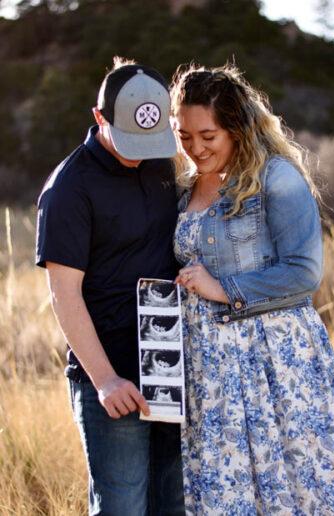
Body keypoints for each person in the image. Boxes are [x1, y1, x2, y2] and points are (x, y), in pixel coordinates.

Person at [171, 64, 334, 515]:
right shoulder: (185, 188)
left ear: (237, 129)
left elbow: (303, 272)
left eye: (208, 136)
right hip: (209, 368)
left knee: (295, 487)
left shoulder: (277, 178)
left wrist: (222, 287)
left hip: (273, 361)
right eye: (184, 136)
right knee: (225, 492)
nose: (195, 148)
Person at [36, 57, 185, 516]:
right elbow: (63, 293)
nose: (138, 151)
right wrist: (104, 380)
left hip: (171, 372)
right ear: (99, 118)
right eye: (128, 139)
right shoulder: (69, 188)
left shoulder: (162, 161)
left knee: (176, 506)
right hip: (112, 379)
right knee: (122, 508)